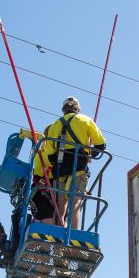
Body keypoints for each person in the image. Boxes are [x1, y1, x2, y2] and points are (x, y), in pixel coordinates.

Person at [38, 96, 106, 229]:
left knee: (60, 203)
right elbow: (101, 145)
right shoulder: (85, 120)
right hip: (79, 166)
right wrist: (90, 155)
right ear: (78, 108)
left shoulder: (55, 125)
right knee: (75, 202)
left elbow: (50, 153)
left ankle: (57, 231)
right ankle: (73, 233)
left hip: (60, 167)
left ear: (64, 110)